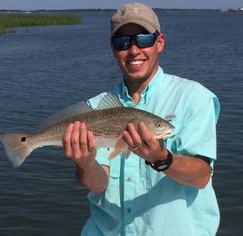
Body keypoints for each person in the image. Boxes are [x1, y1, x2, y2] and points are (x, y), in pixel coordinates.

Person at [63, 2, 221, 235]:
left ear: (160, 43)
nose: (134, 50)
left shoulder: (194, 97)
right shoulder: (96, 107)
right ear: (113, 49)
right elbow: (98, 185)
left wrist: (162, 158)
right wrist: (85, 164)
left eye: (143, 39)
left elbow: (201, 176)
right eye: (123, 42)